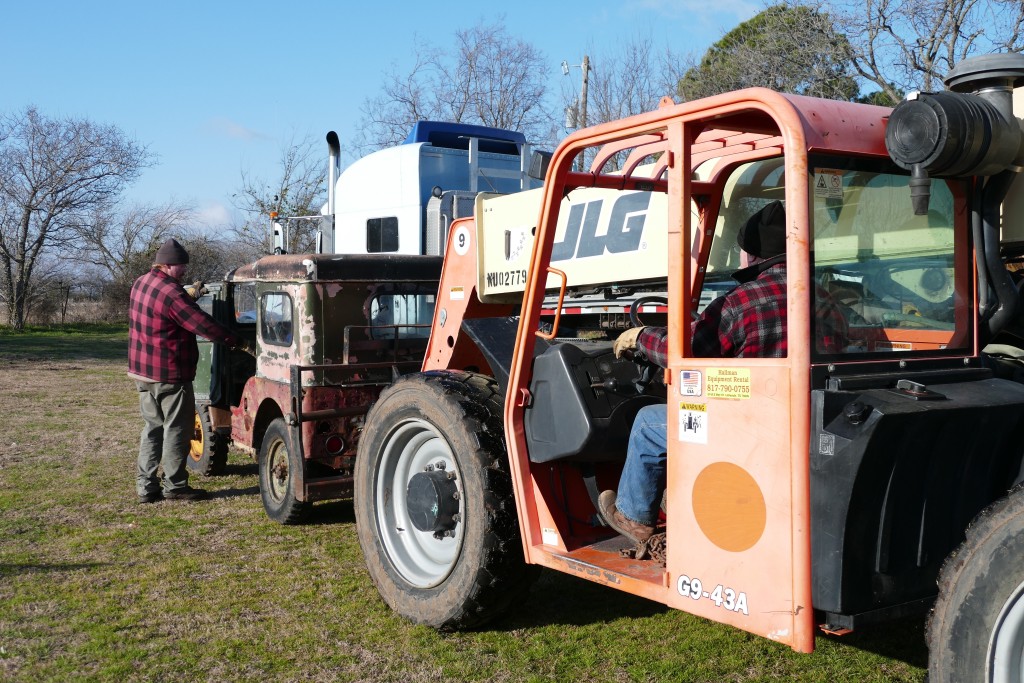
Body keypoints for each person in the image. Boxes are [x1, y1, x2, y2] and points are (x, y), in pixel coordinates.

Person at [598, 200, 795, 544]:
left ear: (752, 255)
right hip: (795, 423)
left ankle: (633, 516)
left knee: (647, 422)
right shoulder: (825, 299)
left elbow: (686, 352)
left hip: (746, 429)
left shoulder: (740, 302)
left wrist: (641, 338)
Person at [128, 238, 249, 504]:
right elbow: (203, 324)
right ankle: (175, 486)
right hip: (169, 374)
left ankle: (145, 487)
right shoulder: (173, 293)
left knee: (152, 427)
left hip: (142, 372)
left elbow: (162, 311)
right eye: (181, 266)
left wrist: (189, 294)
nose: (184, 271)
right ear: (168, 265)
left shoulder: (141, 282)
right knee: (177, 429)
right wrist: (238, 341)